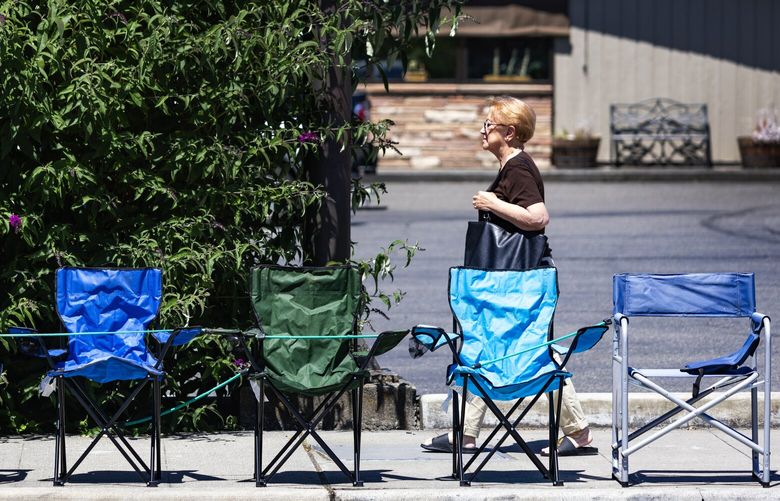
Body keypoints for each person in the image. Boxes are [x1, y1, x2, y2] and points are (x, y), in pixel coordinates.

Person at [421, 95, 596, 457]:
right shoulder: (513, 166)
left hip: (515, 282)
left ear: (510, 132)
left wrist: (491, 203)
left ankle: (575, 432)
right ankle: (468, 435)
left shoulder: (517, 168)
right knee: (496, 347)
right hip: (511, 280)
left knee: (501, 347)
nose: (483, 130)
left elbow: (538, 217)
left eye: (489, 124)